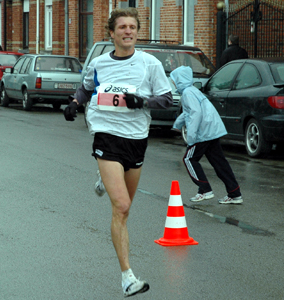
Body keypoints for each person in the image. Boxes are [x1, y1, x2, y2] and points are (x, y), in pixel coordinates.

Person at [63, 7, 173, 297]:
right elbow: (86, 89)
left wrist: (143, 101)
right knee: (121, 206)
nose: (128, 31)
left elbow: (167, 99)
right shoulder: (99, 63)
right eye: (122, 27)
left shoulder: (150, 64)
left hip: (136, 138)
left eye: (132, 27)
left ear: (137, 32)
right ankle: (127, 277)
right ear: (111, 33)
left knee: (125, 210)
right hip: (106, 135)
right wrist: (74, 103)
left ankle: (104, 179)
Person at [171, 66, 243, 204]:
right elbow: (189, 112)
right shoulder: (193, 90)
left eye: (174, 79)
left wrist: (191, 137)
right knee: (219, 162)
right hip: (212, 130)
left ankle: (205, 190)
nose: (173, 82)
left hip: (203, 132)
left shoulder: (187, 93)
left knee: (189, 159)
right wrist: (177, 124)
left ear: (179, 80)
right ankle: (235, 193)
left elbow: (195, 113)